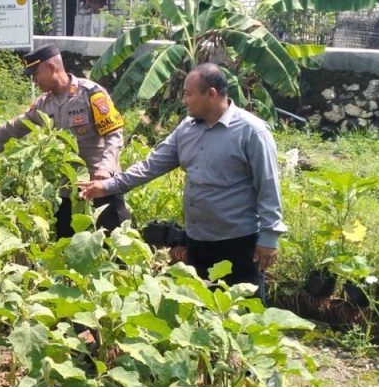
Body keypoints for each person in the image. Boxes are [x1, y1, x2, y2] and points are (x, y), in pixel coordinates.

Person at [77, 63, 285, 297]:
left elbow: (268, 186)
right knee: (202, 311)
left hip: (238, 242)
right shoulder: (187, 129)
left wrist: (269, 237)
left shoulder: (251, 132)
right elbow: (151, 165)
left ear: (212, 94)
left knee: (247, 314)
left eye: (188, 94)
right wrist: (107, 186)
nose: (183, 100)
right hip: (198, 240)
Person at [0, 44, 130, 239]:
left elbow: (114, 134)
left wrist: (105, 168)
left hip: (101, 184)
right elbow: (14, 127)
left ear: (51, 67)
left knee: (115, 241)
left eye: (35, 73)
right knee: (66, 243)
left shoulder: (90, 94)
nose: (33, 79)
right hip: (66, 189)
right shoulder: (43, 104)